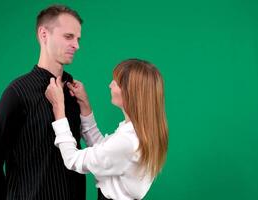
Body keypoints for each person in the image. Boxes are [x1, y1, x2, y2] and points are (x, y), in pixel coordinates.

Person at [0, 5, 86, 199]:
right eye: (69, 37)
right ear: (44, 34)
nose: (76, 45)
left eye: (77, 39)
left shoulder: (73, 91)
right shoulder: (17, 92)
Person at [45, 58, 169, 200]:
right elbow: (104, 152)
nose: (110, 85)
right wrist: (85, 105)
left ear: (129, 92)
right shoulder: (137, 132)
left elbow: (72, 159)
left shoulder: (127, 141)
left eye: (115, 82)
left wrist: (59, 109)